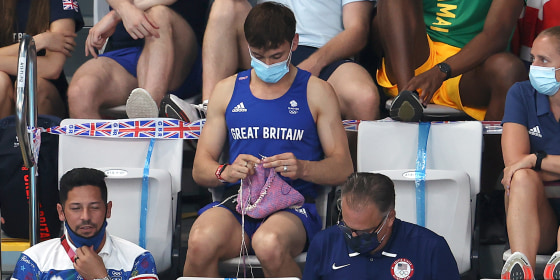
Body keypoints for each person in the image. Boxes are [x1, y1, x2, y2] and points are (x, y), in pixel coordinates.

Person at [183, 2, 353, 278]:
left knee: (269, 243)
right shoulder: (226, 90)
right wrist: (225, 171)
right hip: (239, 202)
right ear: (248, 45)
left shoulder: (317, 92)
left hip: (292, 207)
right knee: (200, 240)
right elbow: (200, 169)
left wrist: (304, 167)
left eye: (276, 55)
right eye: (258, 56)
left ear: (294, 43)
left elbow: (343, 167)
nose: (267, 64)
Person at [161, 0, 380, 122]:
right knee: (226, 4)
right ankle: (208, 111)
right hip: (264, 51)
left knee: (365, 98)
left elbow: (358, 30)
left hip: (325, 54)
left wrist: (314, 63)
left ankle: (349, 186)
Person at [375, 0, 527, 122]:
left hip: (467, 68)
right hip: (415, 62)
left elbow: (496, 35)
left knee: (508, 70)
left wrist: (441, 71)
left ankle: (491, 158)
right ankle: (407, 99)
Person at [302, 172, 460, 280]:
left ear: (390, 217)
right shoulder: (324, 244)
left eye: (364, 231)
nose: (353, 236)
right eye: (346, 227)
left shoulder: (431, 249)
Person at [10, 167, 158, 280]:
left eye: (94, 207)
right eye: (76, 208)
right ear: (61, 212)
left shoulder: (138, 259)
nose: (85, 216)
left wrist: (101, 277)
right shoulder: (34, 260)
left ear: (108, 209)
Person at [67, 0, 202, 119]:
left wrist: (116, 14)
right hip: (125, 52)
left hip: (178, 53)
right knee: (80, 93)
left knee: (158, 14)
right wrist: (123, 9)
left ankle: (146, 121)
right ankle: (107, 148)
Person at [500, 26, 560, 280]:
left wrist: (536, 159)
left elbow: (526, 160)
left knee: (527, 171)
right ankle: (521, 270)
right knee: (522, 178)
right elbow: (514, 166)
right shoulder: (521, 93)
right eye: (533, 58)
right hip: (539, 216)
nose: (533, 66)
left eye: (543, 60)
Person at [0, 0, 83, 119]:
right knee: (0, 82)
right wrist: (37, 42)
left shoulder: (59, 2)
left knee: (31, 86)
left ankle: (40, 137)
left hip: (46, 94)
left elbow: (52, 68)